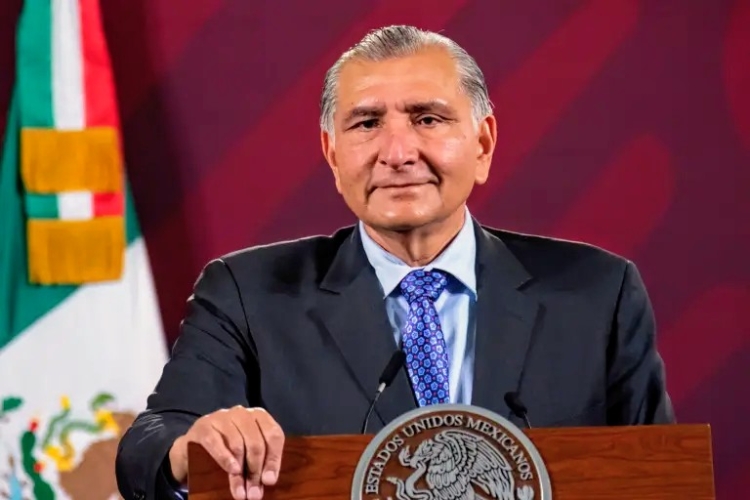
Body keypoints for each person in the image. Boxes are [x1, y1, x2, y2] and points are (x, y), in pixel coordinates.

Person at [115, 25, 674, 500]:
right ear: (333, 155)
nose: (398, 153)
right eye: (366, 123)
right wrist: (191, 447)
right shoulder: (247, 293)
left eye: (427, 119)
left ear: (482, 144)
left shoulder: (598, 293)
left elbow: (662, 476)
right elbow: (148, 445)